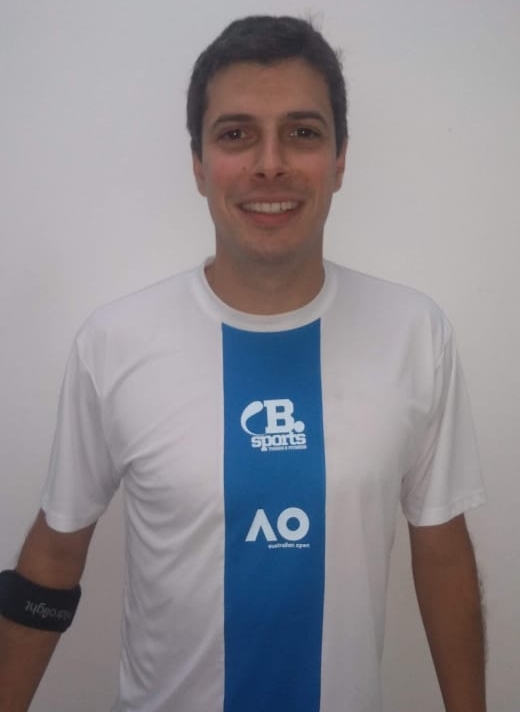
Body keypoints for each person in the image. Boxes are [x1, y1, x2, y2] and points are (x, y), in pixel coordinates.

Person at [0, 15, 487, 712]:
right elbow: (52, 556)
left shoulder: (416, 334)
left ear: (340, 160)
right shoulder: (114, 343)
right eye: (236, 135)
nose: (270, 164)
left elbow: (441, 551)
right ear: (199, 165)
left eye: (302, 132)